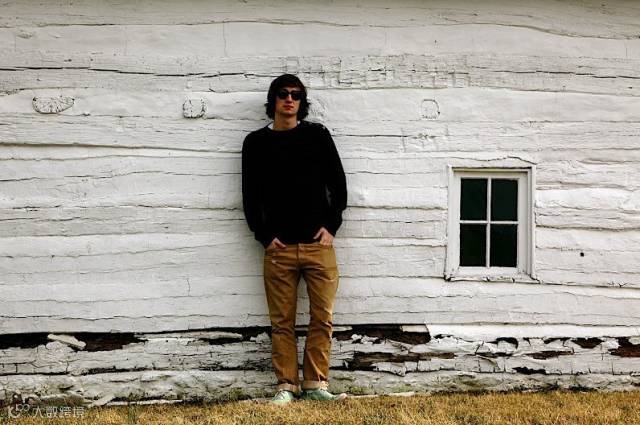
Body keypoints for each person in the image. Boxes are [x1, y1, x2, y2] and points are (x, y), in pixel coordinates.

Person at [241, 74, 348, 404]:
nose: (290, 99)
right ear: (273, 99)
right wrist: (264, 236)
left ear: (302, 102)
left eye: (296, 95)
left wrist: (331, 227)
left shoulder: (317, 136)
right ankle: (286, 386)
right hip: (279, 249)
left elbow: (338, 185)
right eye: (283, 94)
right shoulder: (256, 143)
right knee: (281, 323)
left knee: (322, 318)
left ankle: (315, 385)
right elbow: (249, 196)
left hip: (318, 246)